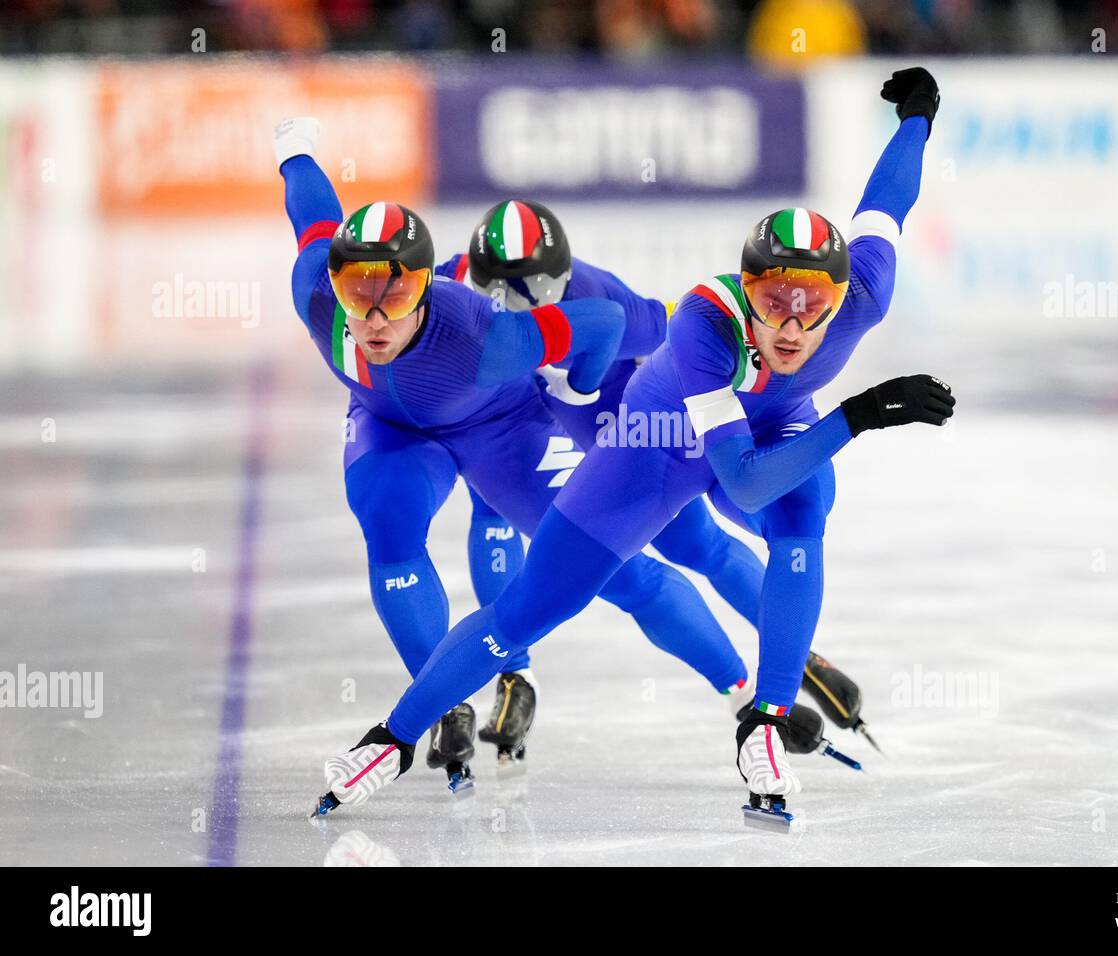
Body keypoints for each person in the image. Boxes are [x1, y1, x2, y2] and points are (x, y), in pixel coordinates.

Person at [312, 67, 955, 826]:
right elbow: (739, 482)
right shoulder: (705, 327)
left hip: (745, 423)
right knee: (531, 608)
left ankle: (765, 719)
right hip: (657, 443)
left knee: (800, 520)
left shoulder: (865, 291)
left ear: (843, 299)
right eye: (770, 301)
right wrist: (857, 415)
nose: (787, 325)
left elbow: (883, 206)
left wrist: (917, 116)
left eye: (810, 305)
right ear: (743, 290)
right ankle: (391, 738)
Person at [274, 117, 777, 795]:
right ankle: (444, 700)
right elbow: (312, 214)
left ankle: (738, 693)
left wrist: (584, 381)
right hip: (390, 427)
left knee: (614, 569)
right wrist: (294, 147)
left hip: (499, 430)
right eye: (355, 292)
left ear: (424, 287)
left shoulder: (488, 336)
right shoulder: (316, 295)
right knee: (389, 526)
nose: (372, 317)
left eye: (393, 294)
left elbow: (611, 322)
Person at [437, 199, 878, 771]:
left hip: (620, 421)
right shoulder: (443, 291)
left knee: (674, 550)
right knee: (560, 538)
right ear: (473, 278)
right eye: (505, 293)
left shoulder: (595, 295)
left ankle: (749, 688)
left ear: (566, 275)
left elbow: (673, 324)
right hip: (520, 422)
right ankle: (518, 670)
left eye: (545, 286)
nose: (529, 304)